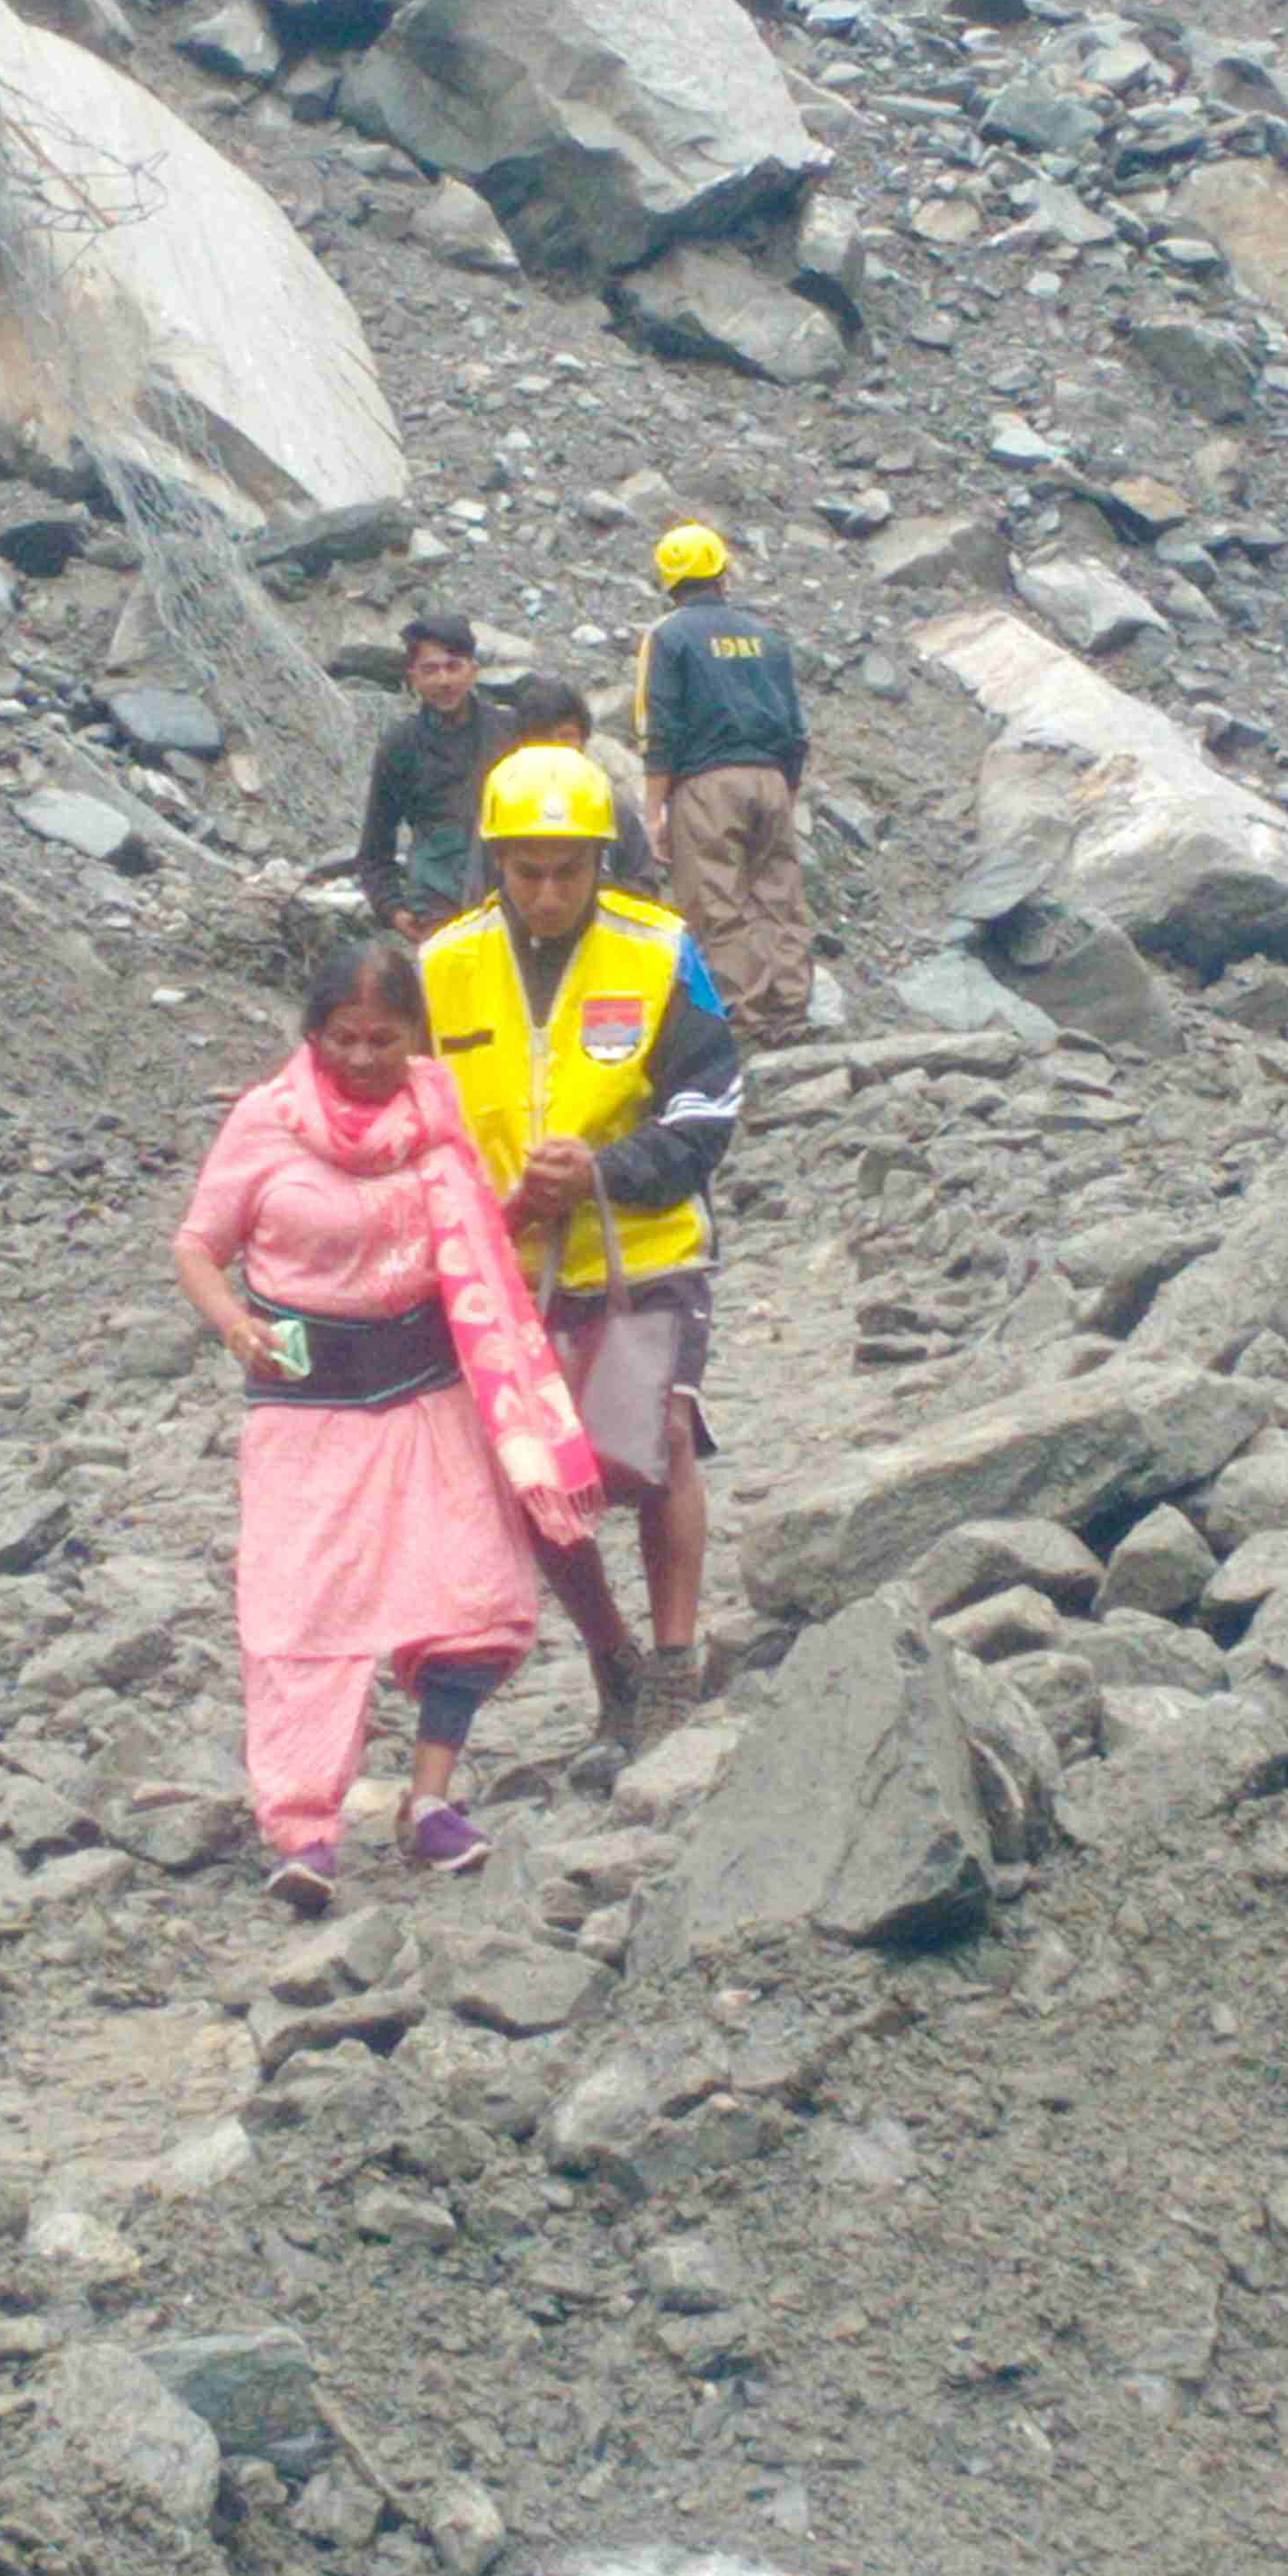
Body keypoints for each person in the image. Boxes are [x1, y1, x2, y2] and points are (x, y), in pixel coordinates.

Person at [173, 936, 602, 1913]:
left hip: (426, 1387)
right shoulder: (263, 1124)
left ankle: (429, 1799)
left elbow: (465, 1239)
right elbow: (198, 1245)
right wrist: (235, 1323)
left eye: (383, 1037)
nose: (362, 1058)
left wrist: (523, 1204)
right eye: (343, 1038)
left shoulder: (438, 1116)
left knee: (474, 1590)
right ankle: (303, 1829)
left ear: (415, 1036)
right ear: (312, 1034)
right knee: (301, 1615)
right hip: (305, 1396)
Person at [419, 746, 742, 1770]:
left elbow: (709, 1102)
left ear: (602, 861)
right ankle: (615, 1667)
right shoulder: (442, 965)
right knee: (539, 1482)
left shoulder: (660, 951)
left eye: (570, 870)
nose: (550, 893)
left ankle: (677, 1662)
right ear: (497, 862)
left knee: (657, 1448)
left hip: (645, 1246)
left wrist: (605, 1168)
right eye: (529, 871)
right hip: (500, 1270)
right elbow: (408, 1115)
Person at [635, 521, 816, 1045]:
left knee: (718, 901)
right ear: (721, 571)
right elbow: (794, 726)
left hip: (707, 785)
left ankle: (746, 1016)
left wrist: (654, 812)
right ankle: (791, 1009)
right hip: (772, 779)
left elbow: (659, 725)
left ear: (669, 580)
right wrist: (788, 789)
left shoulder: (667, 637)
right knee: (779, 896)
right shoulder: (767, 637)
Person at [355, 614, 520, 942]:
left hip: (511, 906)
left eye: (454, 666)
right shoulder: (401, 745)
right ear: (412, 677)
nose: (444, 680)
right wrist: (394, 911)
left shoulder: (509, 732)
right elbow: (375, 849)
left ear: (473, 669)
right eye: (430, 670)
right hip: (436, 911)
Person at [496, 674, 664, 899]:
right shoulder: (504, 806)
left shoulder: (609, 805)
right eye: (542, 737)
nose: (556, 747)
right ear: (522, 743)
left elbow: (646, 888)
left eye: (566, 736)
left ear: (584, 741)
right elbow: (482, 894)